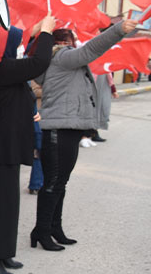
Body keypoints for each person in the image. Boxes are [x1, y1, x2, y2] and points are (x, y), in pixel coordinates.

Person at [31, 19, 138, 251]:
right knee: (54, 183)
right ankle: (42, 231)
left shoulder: (58, 59)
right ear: (65, 41)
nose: (76, 43)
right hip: (60, 128)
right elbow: (92, 49)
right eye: (72, 39)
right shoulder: (62, 56)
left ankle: (53, 228)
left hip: (66, 127)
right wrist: (117, 30)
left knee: (60, 182)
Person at [0, 18, 54, 274]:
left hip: (5, 147)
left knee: (7, 203)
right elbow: (39, 62)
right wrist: (45, 32)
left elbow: (26, 73)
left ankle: (3, 251)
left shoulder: (4, 68)